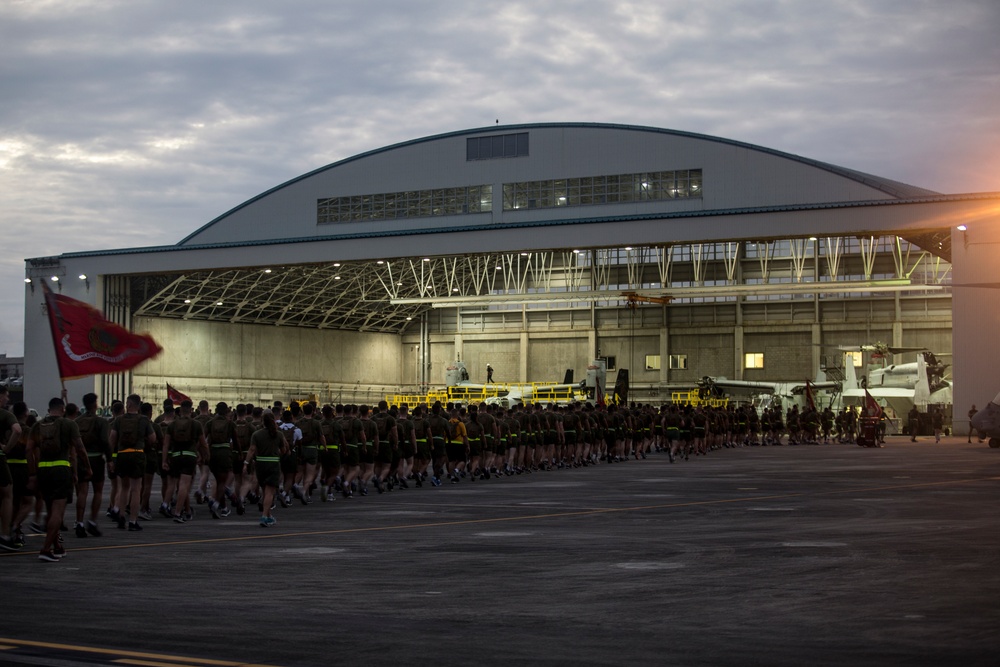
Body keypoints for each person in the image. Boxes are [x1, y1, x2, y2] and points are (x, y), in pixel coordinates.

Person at [27, 396, 93, 562]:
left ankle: (57, 546)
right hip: (61, 470)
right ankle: (45, 549)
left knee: (50, 510)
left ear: (49, 409)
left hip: (43, 470)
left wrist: (33, 473)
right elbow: (79, 448)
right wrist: (87, 467)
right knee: (58, 511)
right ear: (63, 409)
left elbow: (29, 449)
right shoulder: (69, 424)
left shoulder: (38, 425)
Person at [108, 394, 156, 531]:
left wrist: (111, 459)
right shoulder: (144, 420)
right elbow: (153, 439)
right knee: (136, 489)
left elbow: (112, 439)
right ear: (138, 405)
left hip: (122, 455)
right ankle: (133, 521)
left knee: (124, 488)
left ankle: (121, 516)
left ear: (128, 405)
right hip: (137, 454)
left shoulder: (119, 420)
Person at [73, 392, 109, 537]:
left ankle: (79, 522)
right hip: (96, 459)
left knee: (82, 491)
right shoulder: (101, 422)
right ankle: (92, 521)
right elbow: (105, 442)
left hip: (82, 458)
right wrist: (110, 460)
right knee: (98, 491)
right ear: (94, 404)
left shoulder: (77, 421)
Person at [244, 411, 286, 527]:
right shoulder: (278, 434)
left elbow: (252, 450)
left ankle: (268, 516)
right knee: (269, 492)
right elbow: (284, 451)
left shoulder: (256, 434)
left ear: (262, 421)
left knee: (264, 491)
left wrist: (246, 463)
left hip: (260, 464)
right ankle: (264, 516)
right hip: (273, 464)